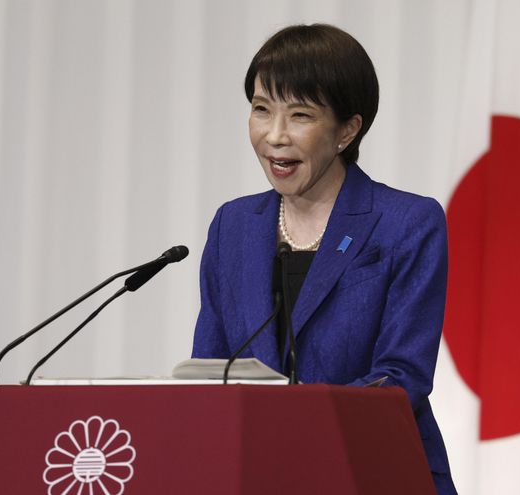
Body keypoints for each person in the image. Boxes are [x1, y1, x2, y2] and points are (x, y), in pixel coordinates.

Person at [192, 24, 456, 494]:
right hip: (256, 476)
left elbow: (401, 378)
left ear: (346, 130)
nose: (274, 135)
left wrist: (297, 425)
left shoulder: (407, 222)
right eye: (260, 109)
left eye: (300, 115)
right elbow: (213, 368)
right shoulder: (232, 227)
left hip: (372, 472)